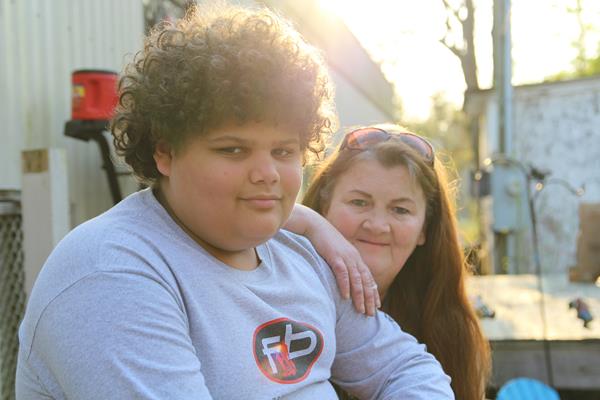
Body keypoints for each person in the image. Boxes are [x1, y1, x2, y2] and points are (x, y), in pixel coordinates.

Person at [15, 4, 454, 399]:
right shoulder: (112, 273)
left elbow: (407, 369)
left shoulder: (302, 258)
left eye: (283, 151)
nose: (267, 173)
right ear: (165, 151)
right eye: (233, 149)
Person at [289, 124, 491, 400]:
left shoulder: (450, 328)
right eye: (359, 202)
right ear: (324, 208)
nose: (377, 225)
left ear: (424, 229)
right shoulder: (279, 293)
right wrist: (305, 220)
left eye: (400, 209)